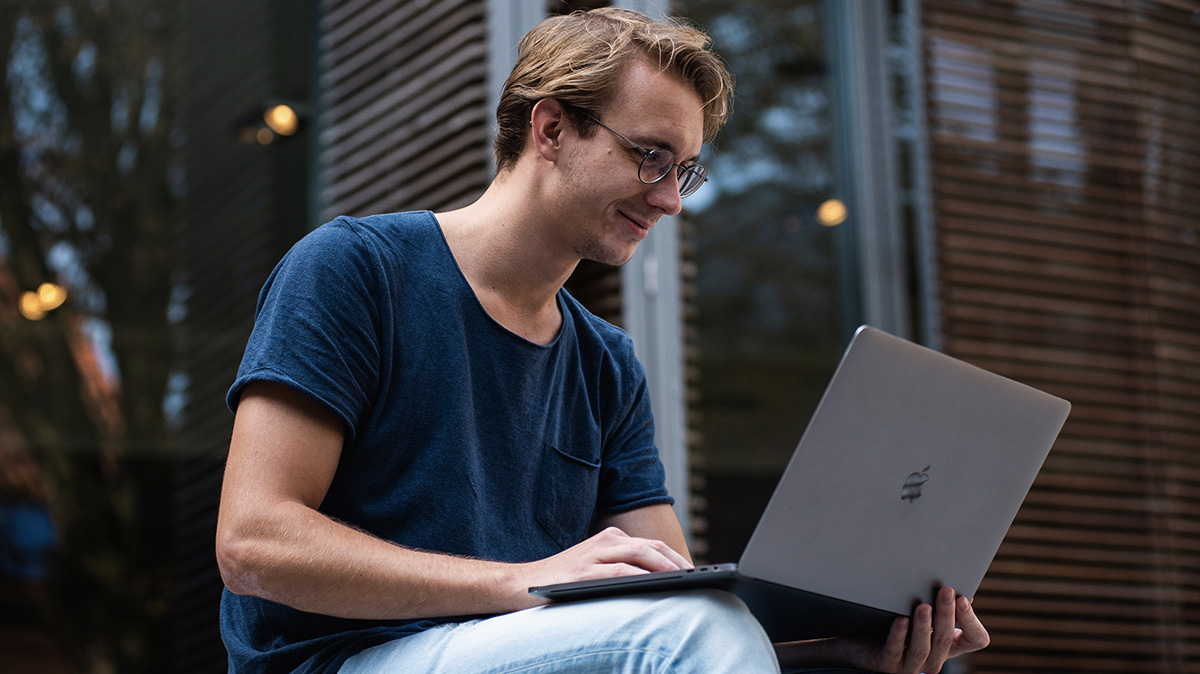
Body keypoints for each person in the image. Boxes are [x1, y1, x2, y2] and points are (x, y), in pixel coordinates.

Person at [215, 7, 989, 674]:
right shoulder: (356, 271)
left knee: (703, 615)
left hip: (510, 649)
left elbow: (669, 615)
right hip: (339, 660)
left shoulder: (606, 363)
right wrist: (525, 581)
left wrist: (835, 651)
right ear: (550, 128)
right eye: (650, 156)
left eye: (686, 171)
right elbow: (253, 544)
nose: (670, 200)